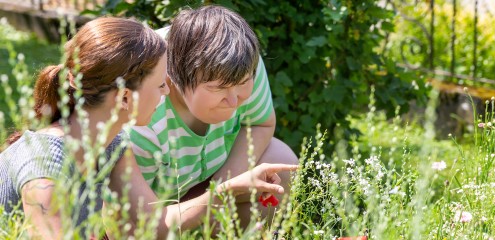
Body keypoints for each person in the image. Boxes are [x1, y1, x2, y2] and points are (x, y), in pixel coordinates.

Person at [0, 17, 297, 239]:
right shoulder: (46, 164)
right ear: (126, 97)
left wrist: (228, 189)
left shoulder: (111, 144)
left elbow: (155, 224)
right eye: (160, 86)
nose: (168, 93)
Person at [130, 5, 298, 227]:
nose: (233, 101)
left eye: (242, 83)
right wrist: (216, 197)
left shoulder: (239, 60)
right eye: (218, 88)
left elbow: (260, 123)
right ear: (175, 78)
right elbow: (136, 222)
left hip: (209, 178)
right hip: (152, 208)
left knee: (281, 161)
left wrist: (224, 188)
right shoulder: (143, 111)